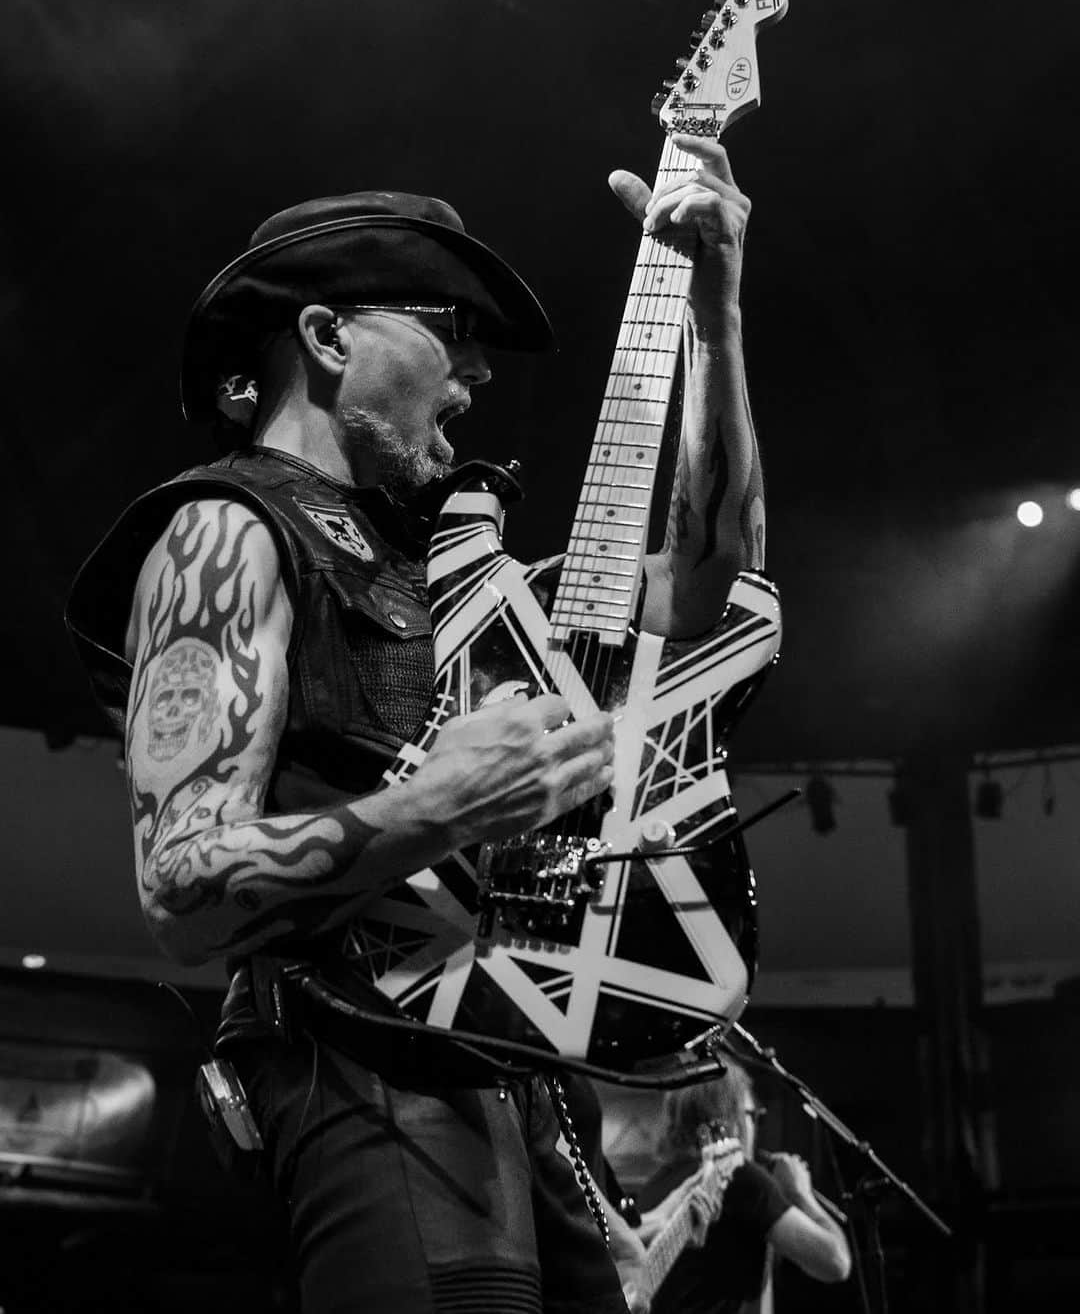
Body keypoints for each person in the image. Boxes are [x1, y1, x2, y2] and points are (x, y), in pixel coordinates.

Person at [66, 133, 766, 1314]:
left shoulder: (445, 564)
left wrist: (716, 317)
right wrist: (441, 804)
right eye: (451, 329)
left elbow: (705, 579)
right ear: (330, 338)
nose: (477, 373)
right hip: (364, 1062)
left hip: (522, 1065)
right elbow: (182, 885)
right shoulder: (224, 533)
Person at [636, 1056, 851, 1314]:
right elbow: (835, 1262)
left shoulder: (653, 1185)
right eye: (753, 1115)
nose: (755, 1126)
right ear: (731, 1119)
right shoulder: (740, 1176)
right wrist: (802, 1195)